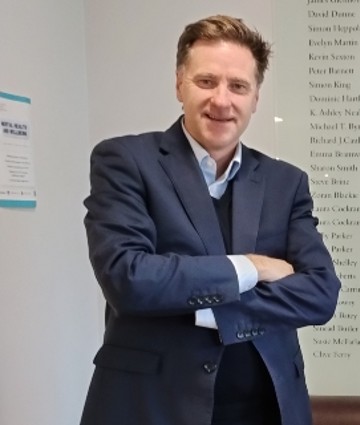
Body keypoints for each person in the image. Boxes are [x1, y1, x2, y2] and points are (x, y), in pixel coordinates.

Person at [80, 15, 341, 425]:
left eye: (238, 86)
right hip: (151, 407)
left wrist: (203, 308)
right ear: (179, 84)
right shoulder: (126, 162)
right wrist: (252, 266)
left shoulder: (285, 183)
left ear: (255, 97)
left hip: (267, 408)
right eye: (206, 82)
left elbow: (321, 293)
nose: (222, 100)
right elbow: (128, 278)